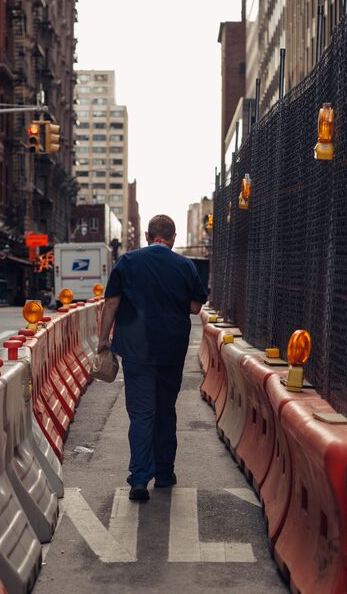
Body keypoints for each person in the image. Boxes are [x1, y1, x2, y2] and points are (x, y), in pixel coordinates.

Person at [97, 214, 207, 501]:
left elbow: (111, 302)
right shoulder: (186, 266)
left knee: (142, 414)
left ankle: (139, 479)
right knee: (166, 410)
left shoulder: (128, 262)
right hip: (171, 350)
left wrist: (102, 340)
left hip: (136, 350)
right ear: (173, 237)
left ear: (147, 235)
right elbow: (196, 308)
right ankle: (165, 473)